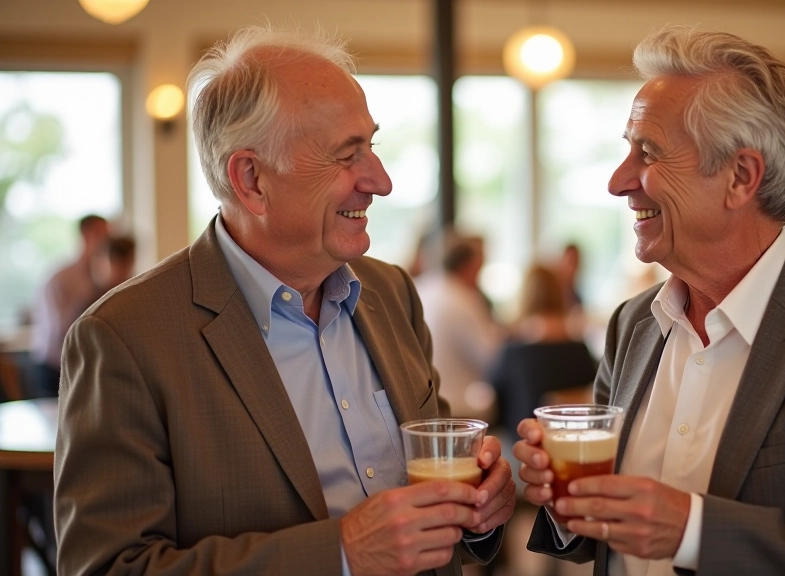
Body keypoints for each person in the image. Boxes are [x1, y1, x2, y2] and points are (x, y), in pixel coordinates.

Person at [54, 26, 514, 576]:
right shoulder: (125, 337)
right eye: (348, 155)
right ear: (250, 179)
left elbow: (437, 477)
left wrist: (479, 510)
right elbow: (110, 567)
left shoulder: (391, 293)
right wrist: (342, 554)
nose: (381, 180)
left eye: (372, 145)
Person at [515, 25, 785, 576]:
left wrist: (692, 532)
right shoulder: (634, 324)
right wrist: (564, 495)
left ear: (741, 177)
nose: (618, 180)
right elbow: (602, 533)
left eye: (647, 152)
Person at [490, 264, 596, 430]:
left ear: (524, 295)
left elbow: (496, 396)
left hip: (523, 442)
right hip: (572, 439)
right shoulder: (581, 349)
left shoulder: (514, 351)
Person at [415, 232, 504, 423]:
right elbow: (492, 359)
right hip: (457, 408)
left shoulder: (420, 287)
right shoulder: (464, 299)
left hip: (418, 404)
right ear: (468, 265)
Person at [29, 213, 109, 398]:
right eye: (100, 233)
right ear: (85, 235)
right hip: (55, 368)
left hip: (87, 366)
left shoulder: (105, 276)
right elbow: (59, 330)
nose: (106, 240)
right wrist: (90, 293)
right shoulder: (61, 279)